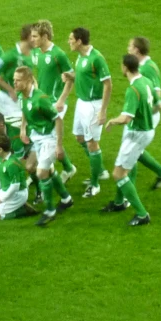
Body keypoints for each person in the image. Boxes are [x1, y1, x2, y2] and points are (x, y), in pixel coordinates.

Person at [103, 54, 160, 226]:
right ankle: (119, 203)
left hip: (137, 134)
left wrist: (112, 120)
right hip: (147, 130)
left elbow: (126, 118)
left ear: (126, 67)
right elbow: (158, 103)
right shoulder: (147, 82)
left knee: (118, 174)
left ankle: (142, 214)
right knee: (130, 164)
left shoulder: (133, 89)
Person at [14, 66, 73, 227]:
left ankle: (49, 210)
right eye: (14, 80)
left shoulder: (41, 99)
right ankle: (66, 199)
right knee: (50, 171)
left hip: (50, 138)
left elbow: (58, 119)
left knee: (41, 172)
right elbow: (25, 111)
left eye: (18, 80)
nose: (15, 83)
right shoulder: (22, 96)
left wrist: (59, 146)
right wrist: (23, 127)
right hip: (37, 138)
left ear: (27, 81)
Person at [64, 27, 112, 198]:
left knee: (92, 143)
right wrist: (71, 77)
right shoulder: (80, 57)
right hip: (81, 102)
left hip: (93, 105)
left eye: (71, 39)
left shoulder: (96, 58)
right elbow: (84, 77)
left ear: (79, 41)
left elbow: (108, 84)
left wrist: (103, 111)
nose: (68, 42)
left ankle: (95, 184)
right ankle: (99, 170)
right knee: (79, 137)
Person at [30, 20, 77, 184]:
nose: (32, 39)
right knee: (46, 137)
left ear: (45, 36)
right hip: (42, 101)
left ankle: (46, 170)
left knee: (49, 138)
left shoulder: (58, 54)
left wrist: (61, 100)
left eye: (35, 36)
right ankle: (68, 168)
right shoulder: (36, 52)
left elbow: (71, 78)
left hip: (56, 102)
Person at [128, 37, 161, 189]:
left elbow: (157, 94)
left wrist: (147, 112)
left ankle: (128, 193)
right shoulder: (140, 65)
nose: (128, 48)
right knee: (133, 148)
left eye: (130, 46)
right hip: (142, 114)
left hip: (149, 115)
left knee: (132, 149)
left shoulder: (149, 67)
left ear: (137, 49)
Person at [0, 134, 37, 221]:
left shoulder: (12, 164)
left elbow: (15, 187)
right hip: (5, 191)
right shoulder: (0, 159)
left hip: (17, 194)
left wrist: (1, 199)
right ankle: (18, 206)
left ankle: (22, 210)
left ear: (0, 149)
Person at [0, 24, 34, 122]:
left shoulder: (33, 53)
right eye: (34, 36)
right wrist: (10, 90)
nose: (37, 39)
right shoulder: (11, 55)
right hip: (9, 99)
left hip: (24, 97)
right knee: (11, 131)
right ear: (29, 37)